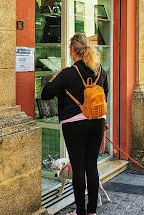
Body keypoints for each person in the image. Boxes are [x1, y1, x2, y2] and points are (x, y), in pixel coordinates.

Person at [41, 33, 108, 215]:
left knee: (78, 168)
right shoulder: (100, 71)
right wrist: (101, 119)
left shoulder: (68, 73)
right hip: (97, 122)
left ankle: (80, 212)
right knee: (92, 166)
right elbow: (105, 96)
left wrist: (55, 77)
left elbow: (45, 94)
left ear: (72, 51)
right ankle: (92, 211)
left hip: (74, 125)